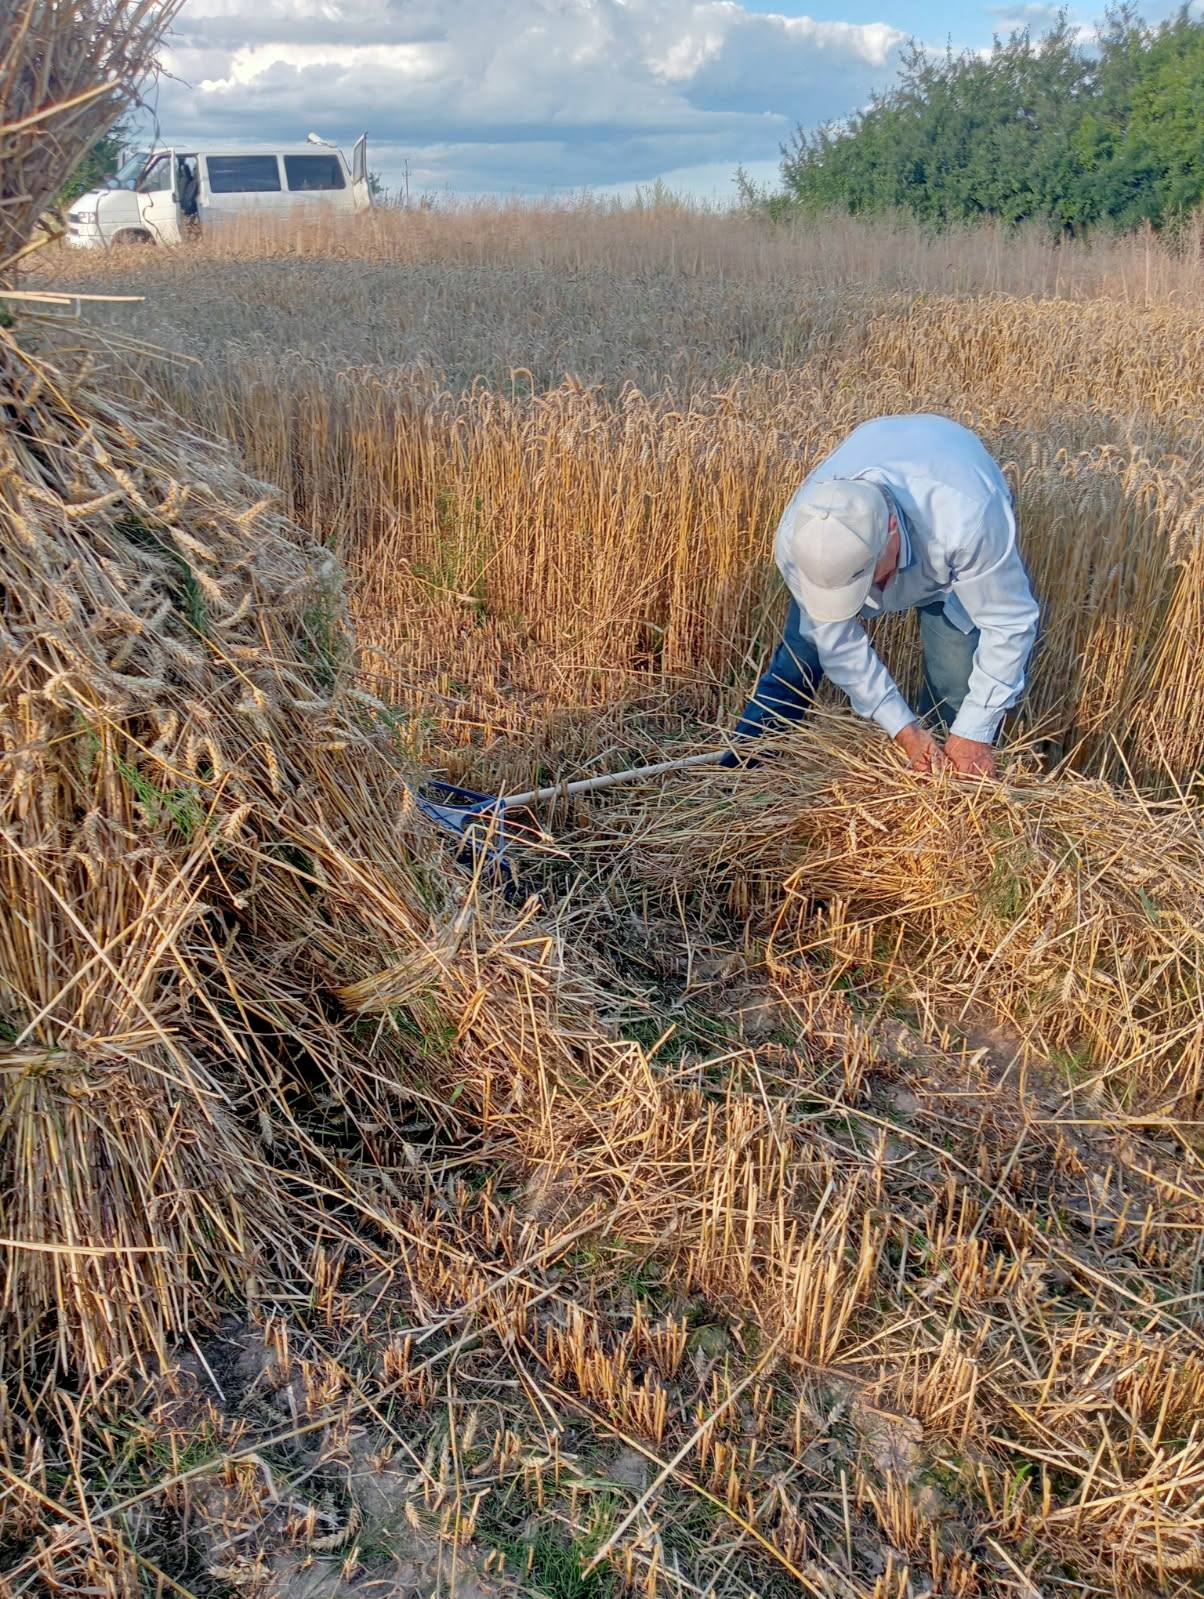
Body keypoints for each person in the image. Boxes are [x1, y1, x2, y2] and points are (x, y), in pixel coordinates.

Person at [726, 413, 1039, 779]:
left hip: (948, 564)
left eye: (866, 578)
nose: (863, 598)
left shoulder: (966, 521)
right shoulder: (803, 539)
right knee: (797, 660)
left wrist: (974, 732)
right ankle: (741, 772)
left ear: (890, 528)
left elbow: (1009, 623)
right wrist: (904, 730)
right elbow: (837, 645)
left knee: (956, 682)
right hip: (880, 458)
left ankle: (948, 793)